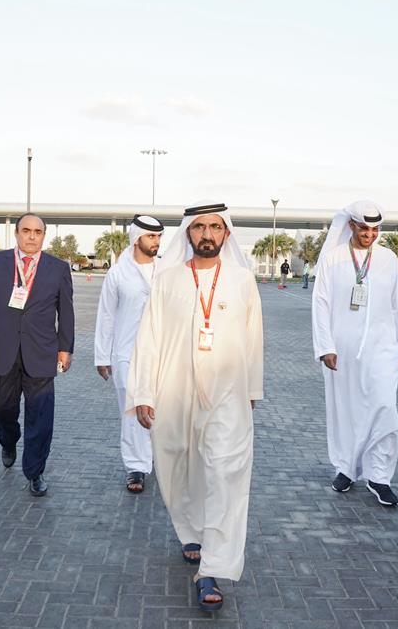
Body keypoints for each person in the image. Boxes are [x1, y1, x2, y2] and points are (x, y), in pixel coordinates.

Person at [128, 201, 263, 612]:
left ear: (226, 234)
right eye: (200, 227)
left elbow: (254, 336)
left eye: (215, 227)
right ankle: (190, 529)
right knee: (175, 464)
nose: (207, 234)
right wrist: (143, 393)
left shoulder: (242, 280)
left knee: (224, 472)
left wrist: (252, 390)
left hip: (227, 395)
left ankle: (212, 568)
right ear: (188, 233)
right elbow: (149, 338)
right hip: (174, 389)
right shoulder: (168, 280)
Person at [311, 201, 398, 504]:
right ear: (352, 226)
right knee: (347, 411)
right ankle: (347, 467)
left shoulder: (387, 258)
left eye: (375, 229)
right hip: (342, 349)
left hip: (382, 349)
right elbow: (321, 304)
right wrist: (325, 346)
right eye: (364, 228)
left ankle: (380, 476)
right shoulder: (333, 259)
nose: (370, 234)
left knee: (384, 408)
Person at [0, 213, 74, 497]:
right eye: (26, 230)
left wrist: (66, 348)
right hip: (0, 350)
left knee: (41, 415)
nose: (31, 236)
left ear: (44, 235)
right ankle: (8, 438)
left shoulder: (58, 268)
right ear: (16, 234)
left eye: (37, 231)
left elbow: (66, 311)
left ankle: (35, 471)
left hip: (41, 352)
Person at [94, 215, 164, 493]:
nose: (156, 242)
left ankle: (159, 458)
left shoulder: (167, 271)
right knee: (133, 411)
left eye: (159, 237)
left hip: (161, 354)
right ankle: (136, 466)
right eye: (151, 237)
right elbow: (106, 316)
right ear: (138, 239)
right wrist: (102, 356)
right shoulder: (118, 273)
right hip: (126, 354)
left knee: (160, 409)